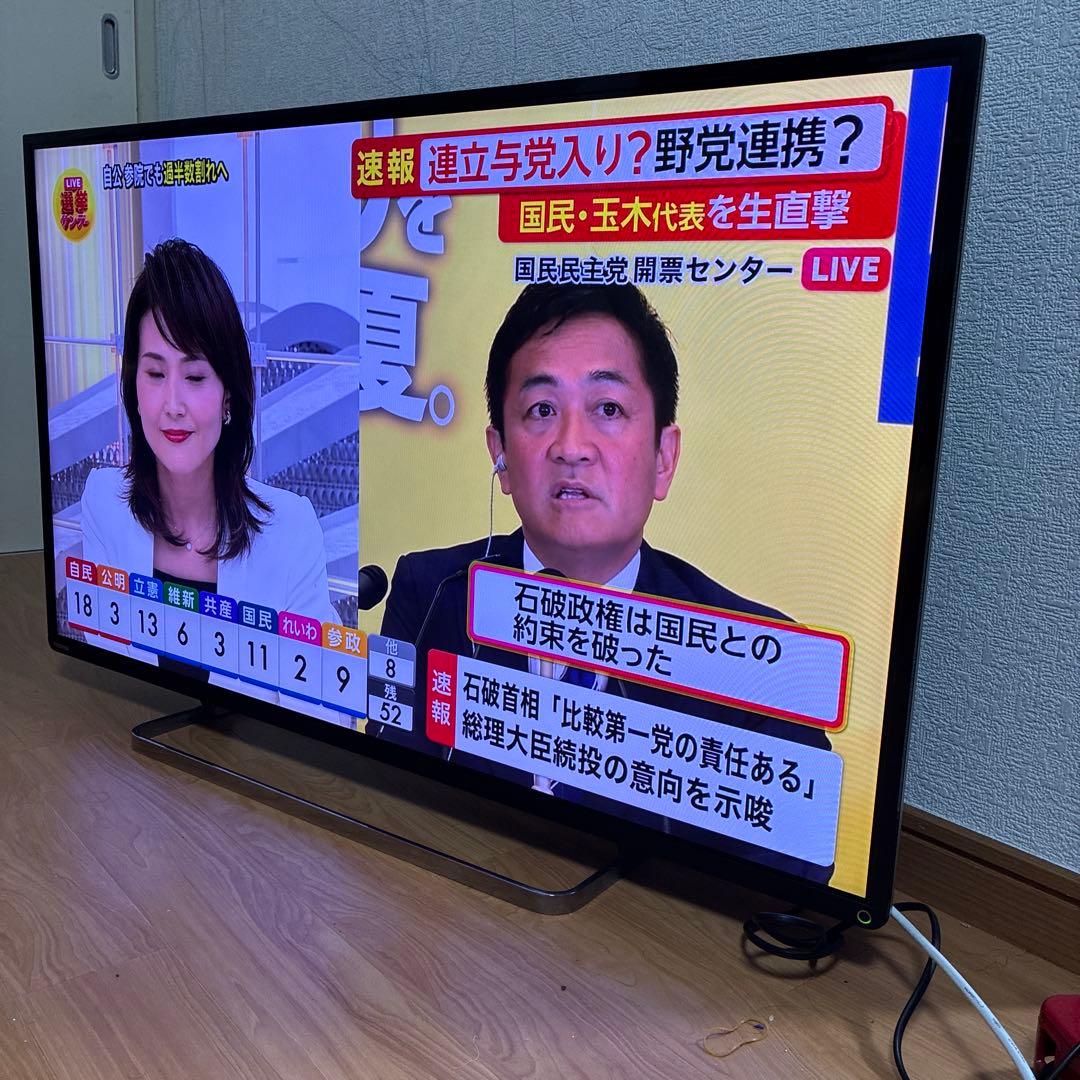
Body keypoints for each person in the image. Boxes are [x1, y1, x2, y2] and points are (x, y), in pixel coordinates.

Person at [380, 282, 834, 882]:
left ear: (664, 458)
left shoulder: (756, 660)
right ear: (500, 455)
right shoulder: (430, 591)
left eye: (608, 409)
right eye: (542, 410)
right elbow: (389, 805)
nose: (571, 448)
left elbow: (788, 884)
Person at [80, 238, 336, 701]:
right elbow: (107, 686)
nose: (173, 405)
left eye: (195, 376)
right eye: (155, 374)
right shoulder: (104, 504)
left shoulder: (291, 532)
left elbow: (321, 709)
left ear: (228, 396)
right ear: (133, 386)